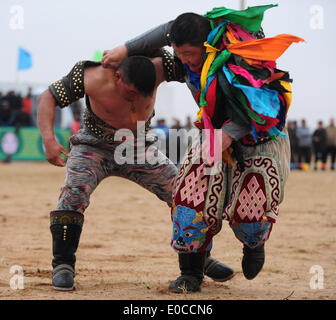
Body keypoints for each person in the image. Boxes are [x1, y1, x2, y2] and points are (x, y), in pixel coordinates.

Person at [102, 4, 300, 293]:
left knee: (252, 207)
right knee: (190, 195)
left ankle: (254, 245)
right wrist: (125, 48)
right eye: (179, 54)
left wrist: (229, 135)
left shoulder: (244, 53)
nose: (185, 61)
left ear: (207, 45)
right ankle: (191, 272)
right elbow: (164, 31)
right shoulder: (185, 59)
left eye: (189, 55)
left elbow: (265, 106)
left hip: (259, 135)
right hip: (211, 132)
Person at [37, 55, 233, 291]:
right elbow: (47, 97)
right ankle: (63, 264)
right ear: (117, 77)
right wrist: (48, 139)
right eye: (130, 93)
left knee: (184, 193)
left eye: (142, 96)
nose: (135, 100)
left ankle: (199, 258)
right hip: (92, 145)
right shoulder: (91, 76)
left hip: (138, 145)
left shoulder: (163, 65)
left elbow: (198, 65)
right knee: (73, 194)